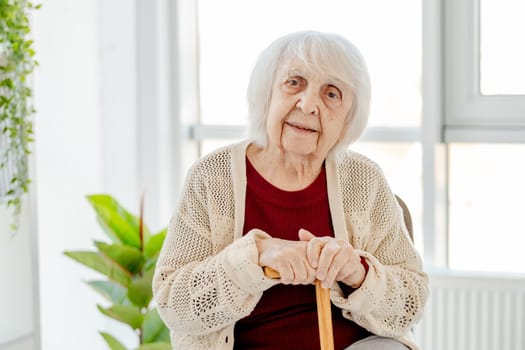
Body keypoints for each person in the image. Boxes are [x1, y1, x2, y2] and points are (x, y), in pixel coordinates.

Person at [153, 31, 428, 350]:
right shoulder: (211, 179)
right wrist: (253, 258)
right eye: (294, 82)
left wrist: (359, 273)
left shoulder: (364, 180)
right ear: (266, 94)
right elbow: (174, 305)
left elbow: (412, 300)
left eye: (332, 94)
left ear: (347, 120)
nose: (309, 105)